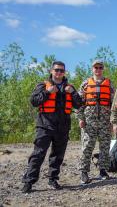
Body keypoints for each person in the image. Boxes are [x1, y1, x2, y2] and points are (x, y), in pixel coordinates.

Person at [22, 61, 83, 193]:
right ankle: (29, 181)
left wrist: (73, 93)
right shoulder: (43, 85)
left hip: (63, 127)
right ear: (51, 71)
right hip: (45, 125)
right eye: (57, 70)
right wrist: (48, 92)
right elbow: (34, 101)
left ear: (64, 72)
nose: (59, 73)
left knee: (57, 155)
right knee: (38, 154)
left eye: (61, 70)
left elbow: (79, 104)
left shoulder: (69, 87)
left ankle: (53, 179)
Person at [77, 60, 114, 184]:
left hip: (105, 121)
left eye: (100, 67)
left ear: (103, 69)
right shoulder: (85, 84)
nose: (98, 69)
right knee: (87, 146)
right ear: (92, 69)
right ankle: (84, 172)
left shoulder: (109, 85)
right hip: (89, 121)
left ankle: (103, 170)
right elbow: (79, 103)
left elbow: (114, 105)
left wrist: (113, 122)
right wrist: (81, 118)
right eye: (95, 67)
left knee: (105, 146)